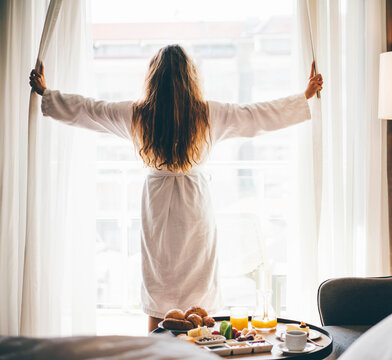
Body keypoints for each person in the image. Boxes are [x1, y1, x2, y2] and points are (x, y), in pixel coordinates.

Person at [29, 44, 323, 332]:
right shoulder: (208, 114)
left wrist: (47, 93)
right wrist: (304, 97)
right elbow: (255, 115)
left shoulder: (139, 115)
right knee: (198, 288)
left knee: (160, 285)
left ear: (153, 79)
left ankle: (157, 348)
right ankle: (201, 342)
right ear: (190, 79)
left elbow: (90, 110)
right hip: (195, 207)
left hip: (157, 206)